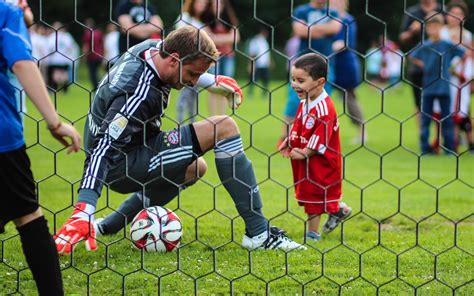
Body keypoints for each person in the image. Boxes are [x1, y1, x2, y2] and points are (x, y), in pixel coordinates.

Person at [53, 26, 306, 254]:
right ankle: (259, 233)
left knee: (194, 168)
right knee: (224, 127)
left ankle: (107, 226)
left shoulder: (151, 48)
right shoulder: (137, 93)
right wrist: (83, 209)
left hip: (136, 147)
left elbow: (180, 56)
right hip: (120, 164)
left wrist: (213, 81)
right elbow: (103, 149)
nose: (194, 82)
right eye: (194, 74)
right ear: (174, 60)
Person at [0, 2, 82, 295]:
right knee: (29, 217)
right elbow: (22, 62)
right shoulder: (5, 13)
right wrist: (55, 122)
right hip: (2, 139)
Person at [278, 53, 352, 241]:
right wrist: (290, 140)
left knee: (315, 196)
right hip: (307, 160)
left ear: (319, 82)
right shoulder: (305, 102)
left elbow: (322, 135)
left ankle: (313, 234)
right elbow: (299, 125)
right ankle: (339, 210)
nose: (295, 84)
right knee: (311, 193)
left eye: (300, 80)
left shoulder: (324, 108)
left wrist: (305, 152)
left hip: (322, 162)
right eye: (293, 79)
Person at [278, 0, 342, 146]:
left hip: (326, 63)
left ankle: (318, 136)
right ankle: (285, 135)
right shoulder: (302, 10)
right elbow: (299, 31)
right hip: (303, 62)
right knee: (295, 99)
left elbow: (336, 28)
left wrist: (311, 29)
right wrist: (324, 29)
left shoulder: (333, 11)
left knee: (323, 101)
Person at [410, 13, 465, 155]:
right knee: (425, 120)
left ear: (441, 27)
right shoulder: (425, 45)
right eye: (430, 27)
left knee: (447, 120)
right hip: (428, 87)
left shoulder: (446, 44)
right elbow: (412, 56)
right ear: (426, 29)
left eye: (436, 26)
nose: (433, 29)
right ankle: (425, 149)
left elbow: (462, 53)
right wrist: (424, 65)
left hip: (444, 87)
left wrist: (451, 67)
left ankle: (449, 149)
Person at [433, 0, 473, 153]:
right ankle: (440, 142)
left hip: (459, 79)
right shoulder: (440, 32)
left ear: (464, 17)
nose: (455, 17)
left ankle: (453, 144)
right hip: (440, 78)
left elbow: (470, 57)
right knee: (439, 110)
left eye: (459, 14)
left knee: (458, 111)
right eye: (452, 14)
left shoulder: (468, 35)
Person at [330, 0, 365, 144]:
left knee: (349, 98)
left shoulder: (348, 20)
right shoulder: (326, 19)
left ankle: (362, 132)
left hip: (345, 64)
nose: (335, 3)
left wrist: (339, 44)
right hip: (327, 63)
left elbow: (347, 42)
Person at [399, 0, 441, 114]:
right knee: (420, 105)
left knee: (441, 106)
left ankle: (439, 131)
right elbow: (402, 38)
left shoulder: (443, 10)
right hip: (418, 67)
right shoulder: (412, 12)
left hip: (441, 68)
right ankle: (422, 132)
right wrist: (412, 31)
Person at [174, 0, 211, 124]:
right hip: (185, 64)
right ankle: (180, 123)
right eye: (200, 3)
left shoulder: (201, 22)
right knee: (184, 94)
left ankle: (192, 124)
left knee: (194, 96)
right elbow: (179, 40)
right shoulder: (185, 18)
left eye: (205, 4)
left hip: (197, 66)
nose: (202, 6)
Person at [204, 0, 240, 116]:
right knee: (213, 88)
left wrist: (216, 38)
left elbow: (236, 37)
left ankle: (223, 117)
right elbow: (207, 38)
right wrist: (226, 37)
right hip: (214, 58)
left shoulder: (229, 19)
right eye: (214, 4)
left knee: (226, 88)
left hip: (228, 57)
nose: (216, 6)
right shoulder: (206, 20)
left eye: (219, 4)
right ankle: (213, 117)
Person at [46, 22, 79, 93]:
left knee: (56, 75)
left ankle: (55, 89)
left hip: (56, 59)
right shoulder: (67, 36)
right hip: (64, 59)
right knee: (63, 75)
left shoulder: (52, 36)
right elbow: (70, 47)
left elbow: (49, 48)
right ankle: (64, 90)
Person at [247, 26, 271, 98]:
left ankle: (264, 94)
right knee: (253, 80)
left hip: (264, 64)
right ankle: (250, 94)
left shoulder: (265, 41)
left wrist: (269, 61)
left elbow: (267, 53)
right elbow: (252, 53)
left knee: (265, 80)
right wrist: (251, 64)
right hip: (257, 64)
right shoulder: (254, 41)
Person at [82, 18, 104, 90]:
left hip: (92, 57)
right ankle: (99, 86)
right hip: (99, 56)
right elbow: (103, 44)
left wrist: (84, 57)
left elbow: (86, 46)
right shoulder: (99, 32)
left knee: (93, 74)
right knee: (96, 72)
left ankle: (96, 88)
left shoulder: (87, 33)